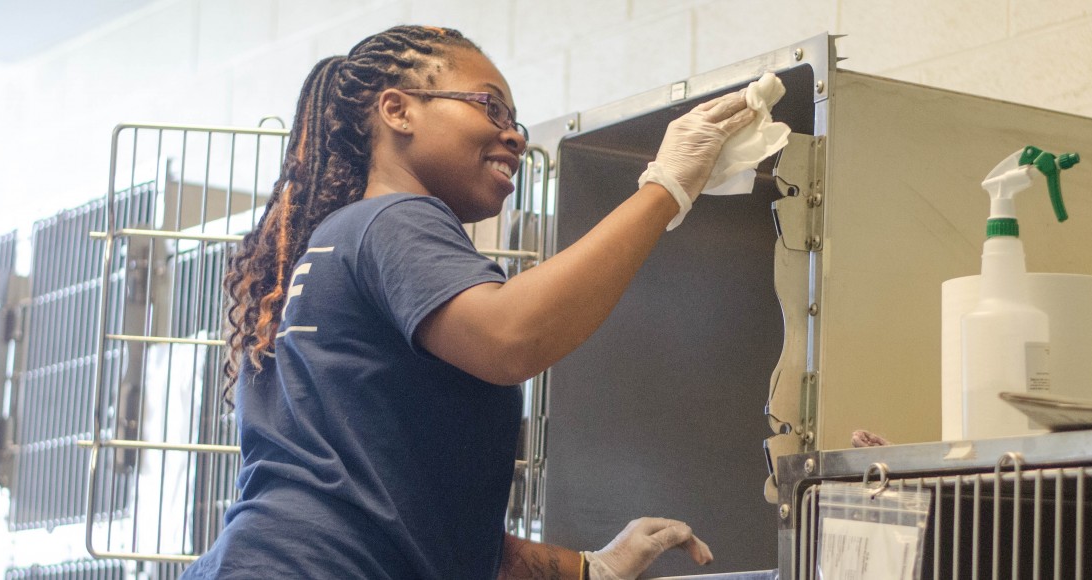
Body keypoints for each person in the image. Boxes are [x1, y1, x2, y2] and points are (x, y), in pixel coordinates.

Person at [180, 24, 755, 580]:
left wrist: (593, 568)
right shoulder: (395, 217)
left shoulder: (336, 243)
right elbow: (512, 337)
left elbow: (415, 527)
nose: (516, 135)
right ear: (397, 110)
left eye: (515, 119)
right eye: (491, 107)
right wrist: (666, 188)